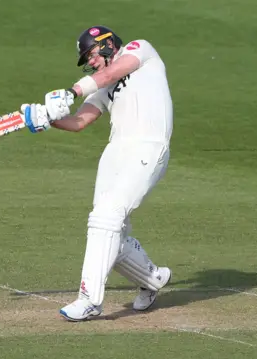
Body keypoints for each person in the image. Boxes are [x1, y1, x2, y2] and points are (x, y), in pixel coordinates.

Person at [19, 25, 173, 321]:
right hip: (116, 151)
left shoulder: (139, 50)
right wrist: (45, 118)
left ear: (107, 44)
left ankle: (89, 300)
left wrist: (71, 91)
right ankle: (153, 279)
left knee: (107, 219)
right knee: (109, 228)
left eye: (90, 55)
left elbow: (110, 74)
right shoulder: (102, 86)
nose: (90, 62)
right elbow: (79, 122)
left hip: (147, 147)